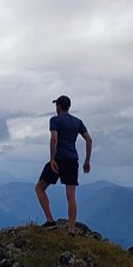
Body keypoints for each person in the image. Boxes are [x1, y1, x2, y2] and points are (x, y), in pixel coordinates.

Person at [35, 95, 92, 234]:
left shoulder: (55, 120)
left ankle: (50, 221)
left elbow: (54, 139)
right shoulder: (78, 122)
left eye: (56, 105)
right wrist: (87, 161)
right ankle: (72, 229)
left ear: (59, 106)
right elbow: (89, 140)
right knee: (71, 195)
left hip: (59, 159)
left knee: (40, 188)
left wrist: (52, 159)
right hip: (73, 160)